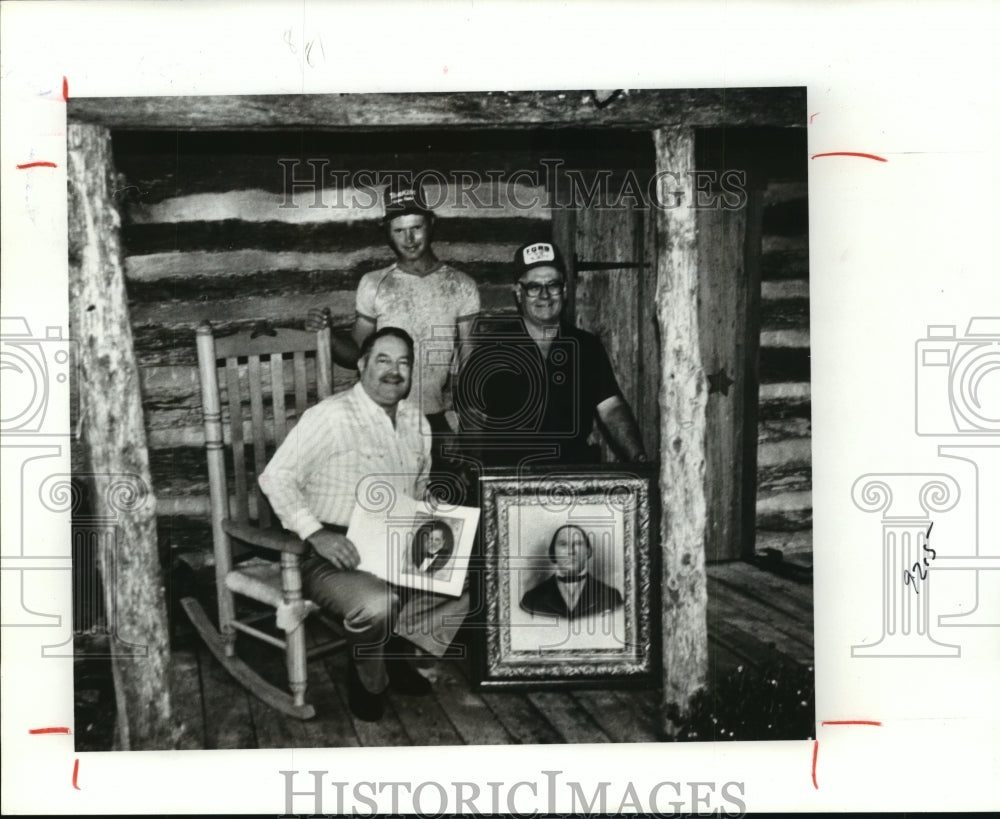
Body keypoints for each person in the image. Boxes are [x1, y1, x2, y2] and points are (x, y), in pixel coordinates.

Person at [258, 326, 468, 722]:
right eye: (383, 360)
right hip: (334, 551)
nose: (394, 371)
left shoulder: (416, 421)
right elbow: (276, 477)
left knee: (473, 573)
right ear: (361, 365)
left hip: (396, 543)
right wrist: (315, 533)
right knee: (376, 604)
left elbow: (419, 488)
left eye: (403, 363)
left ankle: (396, 651)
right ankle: (369, 677)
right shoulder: (330, 416)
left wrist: (437, 515)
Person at [308, 178, 481, 477]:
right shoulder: (374, 284)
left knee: (444, 500)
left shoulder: (462, 286)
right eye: (399, 230)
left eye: (416, 228)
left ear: (431, 224)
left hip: (435, 419)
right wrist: (327, 332)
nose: (409, 239)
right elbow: (355, 354)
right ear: (387, 232)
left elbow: (469, 365)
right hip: (381, 418)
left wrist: (460, 426)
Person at [456, 240, 647, 467]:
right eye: (534, 287)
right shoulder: (491, 348)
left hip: (573, 474)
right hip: (509, 475)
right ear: (518, 292)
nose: (545, 295)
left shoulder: (586, 347)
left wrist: (638, 457)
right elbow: (471, 415)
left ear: (564, 290)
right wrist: (479, 470)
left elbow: (611, 408)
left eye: (553, 285)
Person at [520, 524, 623, 619]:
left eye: (578, 544)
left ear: (588, 551)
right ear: (553, 552)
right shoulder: (531, 599)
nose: (571, 551)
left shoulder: (612, 596)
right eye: (563, 544)